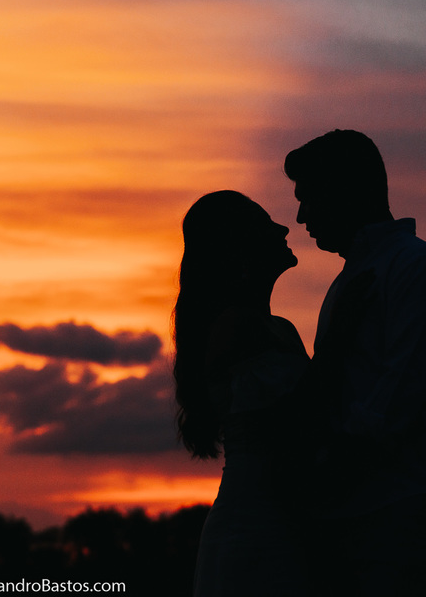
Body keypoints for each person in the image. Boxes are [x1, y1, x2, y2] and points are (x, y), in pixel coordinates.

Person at [284, 129, 426, 596]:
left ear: (346, 190)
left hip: (403, 510)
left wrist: (323, 472)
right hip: (358, 513)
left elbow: (400, 395)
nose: (301, 215)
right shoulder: (351, 281)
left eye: (310, 198)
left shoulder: (418, 268)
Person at [174, 190, 311, 597]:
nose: (284, 227)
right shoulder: (242, 329)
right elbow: (306, 414)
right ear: (239, 246)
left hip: (267, 520)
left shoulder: (252, 327)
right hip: (262, 529)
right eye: (266, 223)